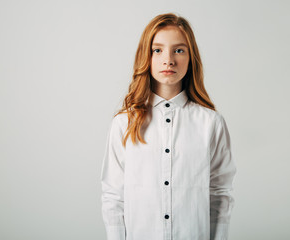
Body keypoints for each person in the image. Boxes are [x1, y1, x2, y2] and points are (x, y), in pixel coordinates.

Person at [100, 12, 237, 240]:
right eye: (158, 50)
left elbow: (220, 195)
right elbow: (113, 196)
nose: (169, 60)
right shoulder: (124, 123)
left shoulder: (211, 124)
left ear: (191, 57)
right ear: (147, 56)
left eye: (179, 50)